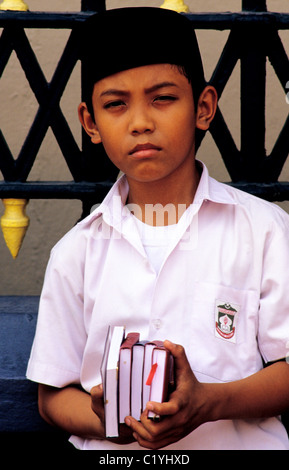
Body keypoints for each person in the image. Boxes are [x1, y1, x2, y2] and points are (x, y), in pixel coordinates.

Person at [26, 7, 289, 450]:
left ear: (203, 107)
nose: (141, 122)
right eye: (115, 105)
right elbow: (52, 396)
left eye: (163, 98)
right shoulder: (77, 252)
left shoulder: (263, 231)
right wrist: (109, 421)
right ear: (91, 123)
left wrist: (209, 402)